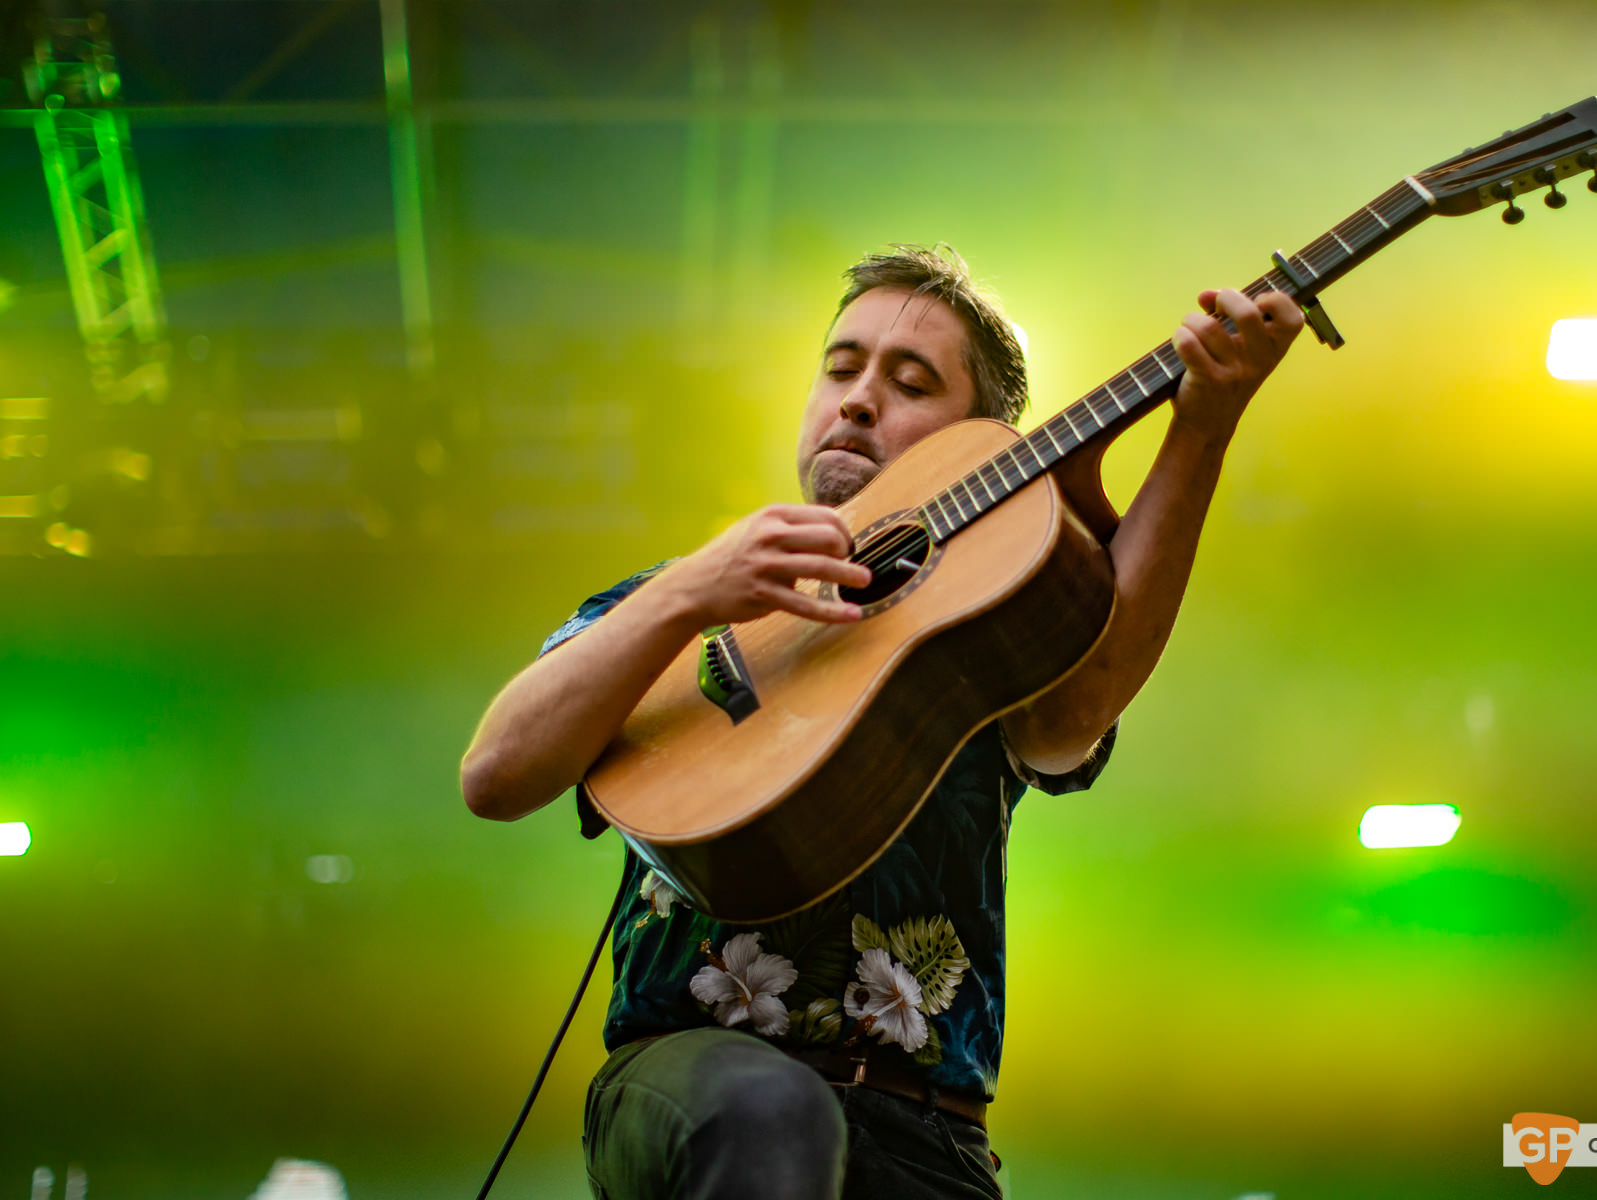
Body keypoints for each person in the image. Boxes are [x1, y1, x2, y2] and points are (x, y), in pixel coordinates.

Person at [460, 246, 1304, 1199]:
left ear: (973, 442)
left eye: (910, 382)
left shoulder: (986, 615)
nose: (858, 399)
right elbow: (495, 775)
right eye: (840, 367)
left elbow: (1076, 713)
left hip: (929, 1132)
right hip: (692, 1085)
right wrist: (689, 589)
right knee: (767, 1115)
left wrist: (1202, 427)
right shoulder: (674, 600)